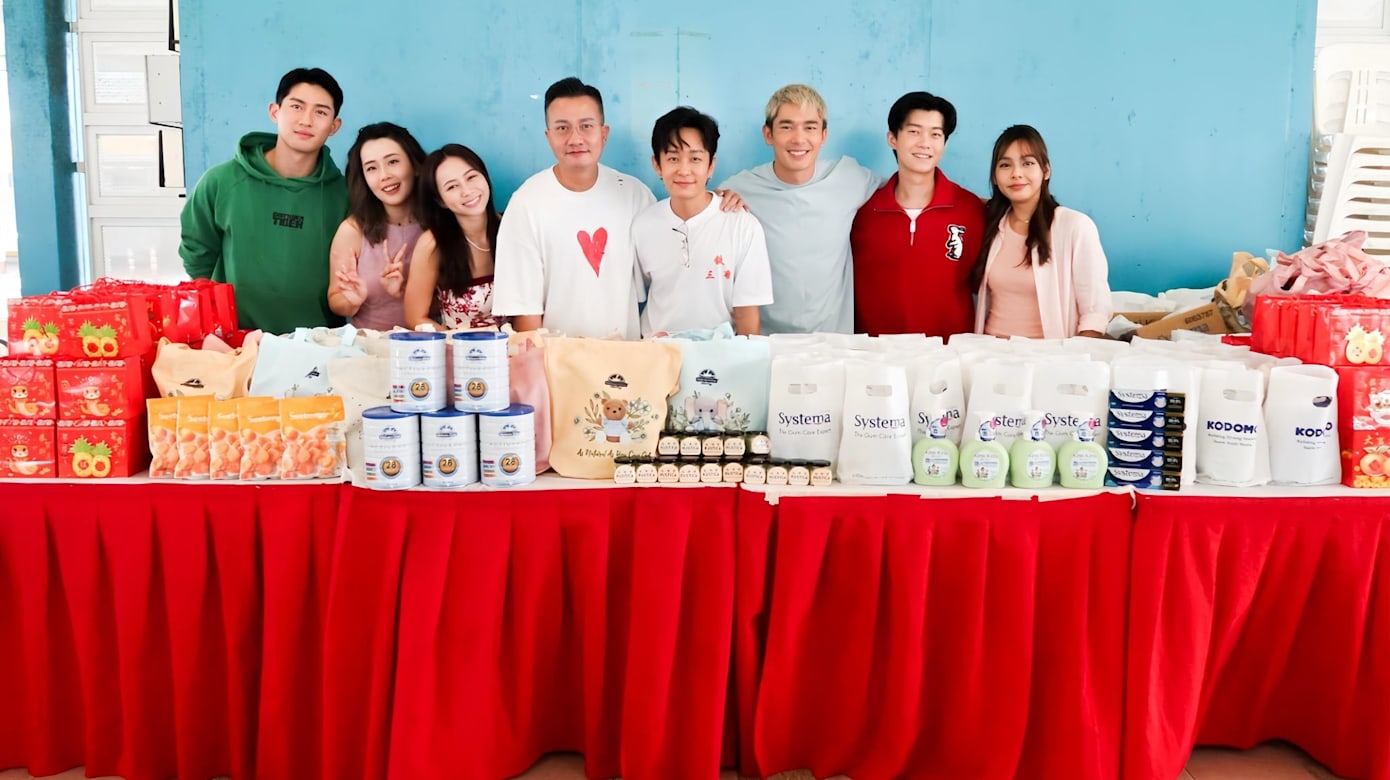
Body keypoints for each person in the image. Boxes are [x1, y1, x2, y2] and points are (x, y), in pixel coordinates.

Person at [180, 67, 348, 333]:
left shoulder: (345, 195)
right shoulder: (221, 181)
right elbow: (197, 254)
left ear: (334, 126)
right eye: (296, 106)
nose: (306, 120)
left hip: (317, 344)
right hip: (236, 341)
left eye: (320, 112)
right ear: (275, 111)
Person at [491, 77, 656, 339]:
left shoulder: (635, 195)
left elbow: (665, 274)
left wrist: (715, 200)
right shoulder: (526, 203)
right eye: (562, 128)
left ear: (604, 133)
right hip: (556, 359)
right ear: (548, 137)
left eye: (586, 126)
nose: (575, 138)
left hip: (625, 356)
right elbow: (524, 310)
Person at [717, 83, 882, 335]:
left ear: (823, 136)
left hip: (833, 343)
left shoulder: (850, 178)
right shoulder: (738, 190)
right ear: (768, 134)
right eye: (786, 126)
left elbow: (904, 195)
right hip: (766, 342)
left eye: (810, 127)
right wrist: (717, 200)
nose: (798, 138)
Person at [850, 91, 984, 337]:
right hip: (875, 354)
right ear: (892, 138)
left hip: (949, 354)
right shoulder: (863, 212)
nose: (925, 143)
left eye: (936, 134)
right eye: (914, 131)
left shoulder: (971, 210)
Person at [632, 106, 773, 337]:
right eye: (673, 158)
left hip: (718, 353)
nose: (684, 170)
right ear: (657, 164)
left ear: (711, 165)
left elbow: (747, 315)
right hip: (656, 352)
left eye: (695, 159)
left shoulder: (742, 226)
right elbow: (637, 297)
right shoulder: (643, 225)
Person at [970, 125, 1111, 338]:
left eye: (1027, 163)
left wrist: (1077, 354)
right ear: (995, 177)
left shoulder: (1074, 226)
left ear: (1046, 171)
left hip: (1048, 354)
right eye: (1005, 165)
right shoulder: (990, 224)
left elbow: (1095, 311)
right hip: (989, 351)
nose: (1016, 174)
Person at [326, 122, 426, 330]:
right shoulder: (352, 231)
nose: (384, 175)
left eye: (393, 162)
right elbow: (335, 300)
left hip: (429, 343)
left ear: (416, 165)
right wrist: (351, 300)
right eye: (371, 168)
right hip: (369, 344)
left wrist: (405, 290)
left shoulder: (439, 226)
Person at [404, 144, 506, 330]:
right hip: (458, 346)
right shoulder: (432, 244)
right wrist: (456, 343)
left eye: (471, 177)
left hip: (518, 344)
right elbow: (415, 317)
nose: (467, 191)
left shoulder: (513, 228)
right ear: (440, 200)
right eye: (452, 186)